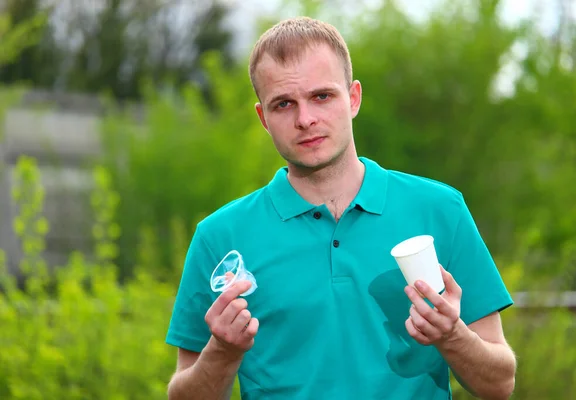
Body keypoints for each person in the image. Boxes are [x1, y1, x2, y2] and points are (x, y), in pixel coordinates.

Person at [165, 16, 517, 400]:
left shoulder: (440, 209)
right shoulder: (220, 237)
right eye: (284, 104)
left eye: (321, 96)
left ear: (353, 98)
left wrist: (452, 336)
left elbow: (499, 384)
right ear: (263, 118)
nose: (305, 119)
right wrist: (223, 352)